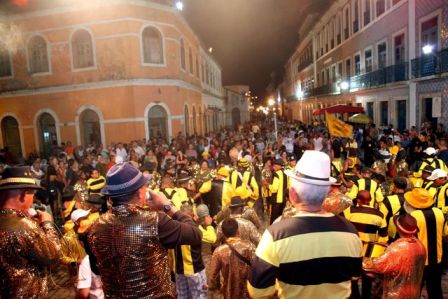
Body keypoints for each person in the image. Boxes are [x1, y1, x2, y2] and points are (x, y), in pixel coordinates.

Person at [248, 151, 363, 298]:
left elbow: (257, 291)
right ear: (327, 192)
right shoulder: (351, 232)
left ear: (293, 194)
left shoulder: (276, 234)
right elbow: (354, 276)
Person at [87, 162, 202, 298]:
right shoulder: (155, 221)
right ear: (140, 192)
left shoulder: (95, 227)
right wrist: (167, 206)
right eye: (145, 185)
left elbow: (96, 268)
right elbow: (195, 233)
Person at [0, 167, 61, 298]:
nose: (33, 199)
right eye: (32, 193)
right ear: (23, 195)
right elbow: (54, 256)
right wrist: (47, 224)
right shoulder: (25, 226)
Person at [363, 213, 426, 299]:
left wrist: (362, 260)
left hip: (397, 293)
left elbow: (378, 265)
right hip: (414, 291)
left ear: (398, 228)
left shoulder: (396, 248)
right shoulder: (420, 245)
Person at [404, 188, 448, 299]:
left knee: (414, 290)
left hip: (418, 260)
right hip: (437, 259)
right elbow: (445, 234)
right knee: (435, 289)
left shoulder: (412, 216)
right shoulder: (439, 213)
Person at [209, 218, 256, 299]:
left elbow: (213, 276)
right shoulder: (250, 247)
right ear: (238, 231)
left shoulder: (219, 251)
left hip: (228, 293)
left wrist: (218, 288)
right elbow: (258, 268)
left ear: (223, 234)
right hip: (248, 292)